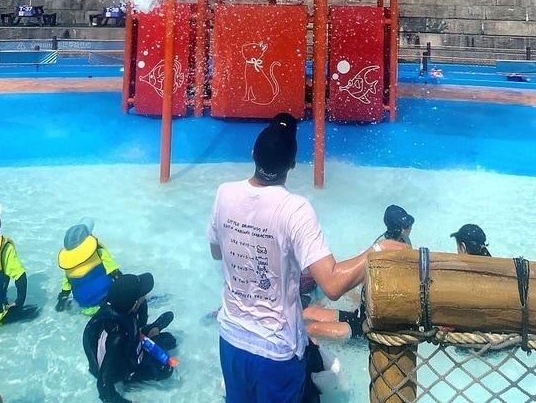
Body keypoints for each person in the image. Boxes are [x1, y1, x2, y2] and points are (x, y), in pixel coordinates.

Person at [208, 113, 372, 403]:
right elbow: (332, 285)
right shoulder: (295, 209)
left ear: (252, 154)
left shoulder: (224, 193)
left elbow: (217, 252)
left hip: (231, 337)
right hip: (275, 350)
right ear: (293, 164)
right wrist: (376, 252)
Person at [304, 204, 414, 340]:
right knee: (308, 312)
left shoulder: (398, 246)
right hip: (361, 314)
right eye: (408, 225)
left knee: (312, 329)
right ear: (401, 229)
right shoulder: (384, 245)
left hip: (367, 327)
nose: (410, 228)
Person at [83, 272, 177, 403]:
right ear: (133, 304)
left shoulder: (115, 305)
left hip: (127, 343)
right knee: (166, 366)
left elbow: (138, 322)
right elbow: (103, 384)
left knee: (167, 331)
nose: (145, 296)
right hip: (120, 368)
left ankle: (152, 330)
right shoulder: (118, 337)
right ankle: (153, 334)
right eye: (142, 295)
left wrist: (141, 306)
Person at [58, 219, 123, 314]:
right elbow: (115, 273)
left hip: (85, 308)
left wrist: (62, 300)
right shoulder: (98, 251)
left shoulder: (68, 263)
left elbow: (66, 287)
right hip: (108, 299)